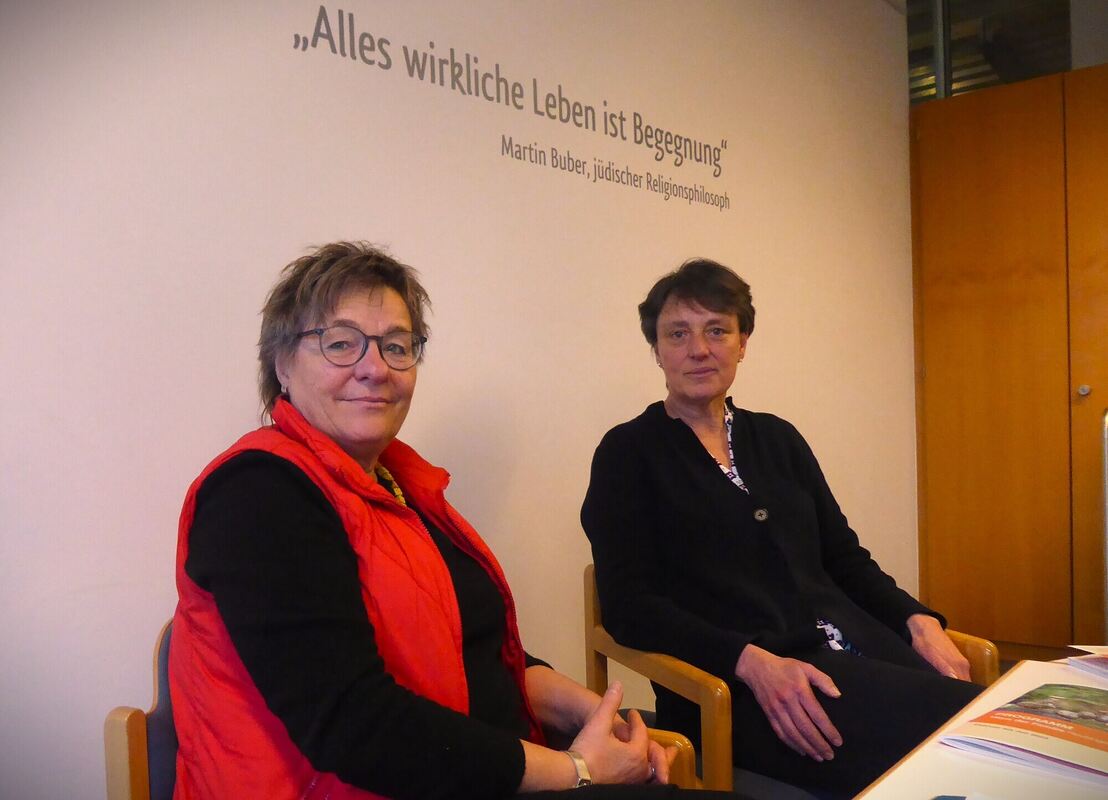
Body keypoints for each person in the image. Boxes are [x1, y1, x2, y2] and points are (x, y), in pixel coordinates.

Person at [169, 242, 745, 800]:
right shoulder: (258, 492)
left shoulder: (401, 486)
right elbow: (354, 725)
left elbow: (482, 654)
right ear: (281, 365)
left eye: (396, 346)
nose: (375, 368)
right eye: (340, 343)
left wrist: (596, 715)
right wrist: (578, 769)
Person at [580, 259, 982, 798]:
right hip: (738, 692)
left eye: (717, 330)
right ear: (656, 349)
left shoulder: (778, 438)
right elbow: (630, 607)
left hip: (854, 655)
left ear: (742, 342)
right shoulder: (627, 453)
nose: (698, 349)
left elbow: (844, 559)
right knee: (964, 743)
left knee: (992, 728)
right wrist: (748, 662)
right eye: (678, 333)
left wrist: (916, 617)